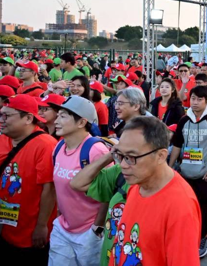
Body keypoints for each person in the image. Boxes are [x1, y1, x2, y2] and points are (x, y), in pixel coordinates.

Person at [109, 117, 201, 266]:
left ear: (160, 156)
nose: (123, 165)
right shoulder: (137, 185)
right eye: (120, 156)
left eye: (131, 157)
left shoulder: (180, 207)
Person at [48, 96, 109, 266]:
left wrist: (97, 227)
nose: (56, 121)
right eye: (57, 115)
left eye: (63, 116)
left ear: (82, 122)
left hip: (89, 233)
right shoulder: (59, 147)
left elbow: (108, 192)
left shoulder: (96, 150)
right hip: (62, 229)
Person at [168, 85, 207, 258]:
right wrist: (170, 168)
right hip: (185, 173)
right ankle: (189, 235)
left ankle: (203, 236)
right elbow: (177, 144)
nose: (195, 102)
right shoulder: (184, 121)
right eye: (193, 98)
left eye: (199, 99)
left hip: (204, 175)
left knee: (202, 207)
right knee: (185, 208)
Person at [0, 94, 57, 264]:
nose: (1, 120)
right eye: (1, 114)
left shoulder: (46, 144)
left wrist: (42, 225)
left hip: (31, 231)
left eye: (7, 115)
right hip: (6, 226)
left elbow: (49, 189)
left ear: (28, 118)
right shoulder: (3, 139)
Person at [69, 139, 127, 266]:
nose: (124, 164)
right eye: (123, 157)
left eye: (132, 157)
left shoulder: (166, 192)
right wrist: (110, 155)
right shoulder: (119, 172)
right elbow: (77, 183)